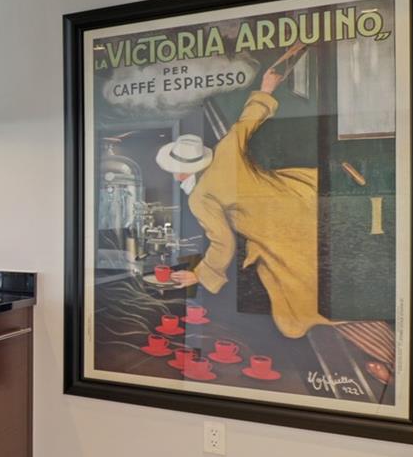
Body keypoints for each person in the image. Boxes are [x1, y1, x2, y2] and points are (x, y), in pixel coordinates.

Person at [158, 67, 394, 374]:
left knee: (309, 302)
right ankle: (389, 354)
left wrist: (200, 275)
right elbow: (248, 119)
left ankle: (388, 356)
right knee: (342, 281)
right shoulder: (226, 149)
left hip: (284, 236)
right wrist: (267, 86)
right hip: (305, 200)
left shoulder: (200, 197)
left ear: (180, 173)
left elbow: (223, 244)